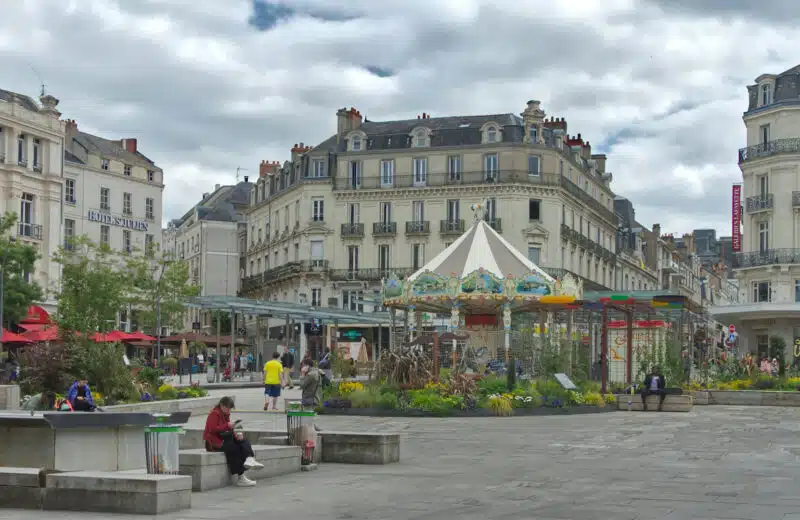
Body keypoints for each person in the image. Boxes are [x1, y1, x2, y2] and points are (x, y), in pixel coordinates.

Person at [203, 396, 263, 487]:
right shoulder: (214, 414)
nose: (229, 410)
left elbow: (228, 430)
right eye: (228, 408)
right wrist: (228, 425)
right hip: (213, 443)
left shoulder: (225, 414)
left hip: (224, 439)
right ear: (222, 405)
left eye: (230, 409)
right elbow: (213, 429)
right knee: (234, 448)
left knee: (244, 441)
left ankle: (250, 458)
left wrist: (237, 435)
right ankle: (241, 477)